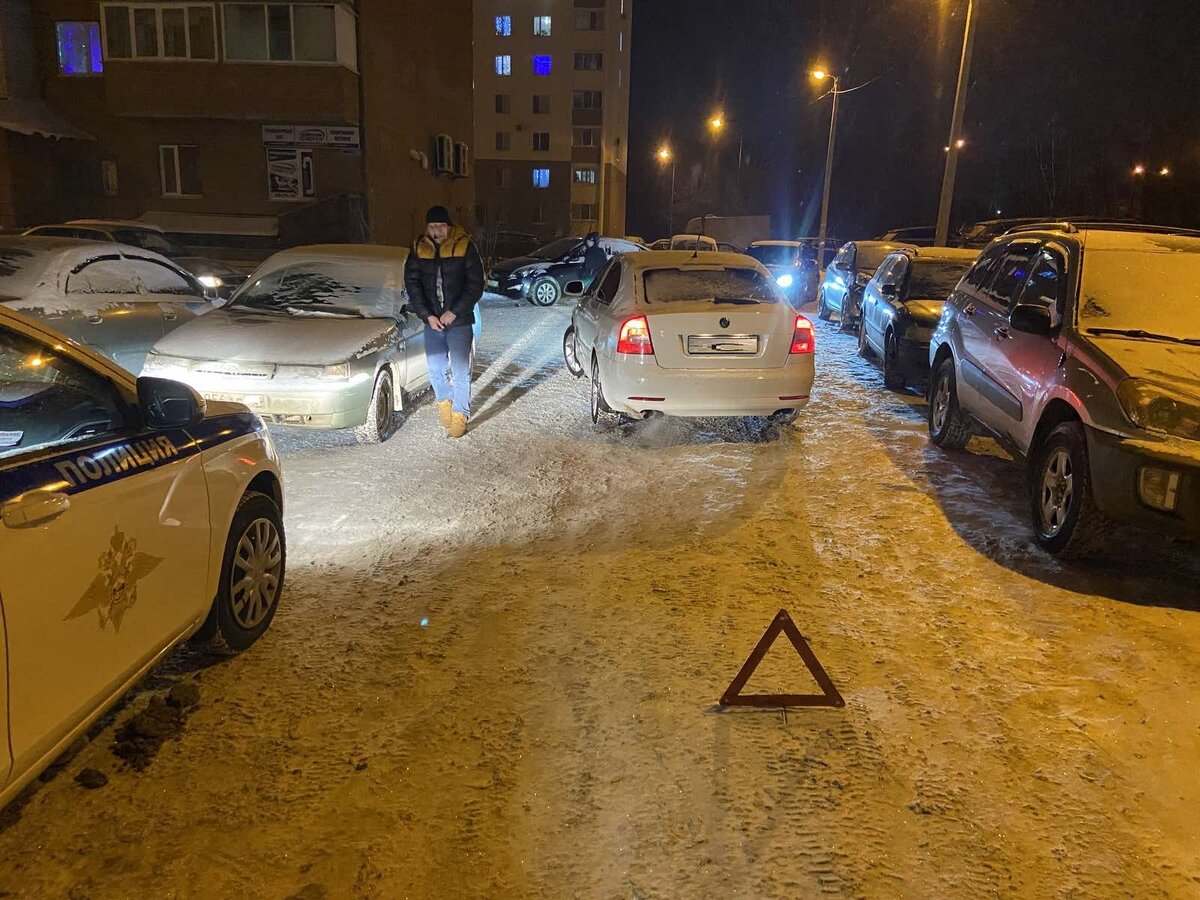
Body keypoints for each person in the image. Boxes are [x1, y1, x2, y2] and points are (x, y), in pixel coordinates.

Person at [404, 206, 484, 438]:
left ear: (449, 226)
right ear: (426, 227)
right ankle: (444, 402)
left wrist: (454, 312)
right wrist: (427, 315)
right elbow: (413, 284)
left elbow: (475, 284)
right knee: (435, 369)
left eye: (441, 226)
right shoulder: (419, 248)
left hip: (458, 322)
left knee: (460, 371)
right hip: (432, 322)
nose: (437, 230)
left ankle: (460, 414)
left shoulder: (464, 246)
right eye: (432, 226)